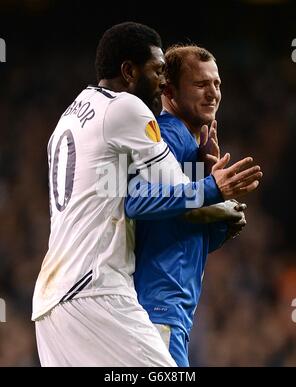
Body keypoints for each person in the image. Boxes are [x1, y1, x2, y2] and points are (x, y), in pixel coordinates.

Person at [32, 23, 262, 367]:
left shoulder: (72, 118)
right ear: (129, 71)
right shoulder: (131, 113)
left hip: (54, 302)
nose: (161, 82)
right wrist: (216, 193)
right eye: (159, 73)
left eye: (217, 83)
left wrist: (213, 205)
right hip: (102, 291)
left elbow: (162, 214)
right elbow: (146, 198)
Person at [133, 44, 254, 366]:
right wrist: (212, 189)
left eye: (216, 84)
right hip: (158, 304)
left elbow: (179, 232)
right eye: (200, 84)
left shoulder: (191, 145)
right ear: (169, 90)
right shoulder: (166, 138)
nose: (213, 93)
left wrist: (219, 224)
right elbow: (136, 202)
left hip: (172, 309)